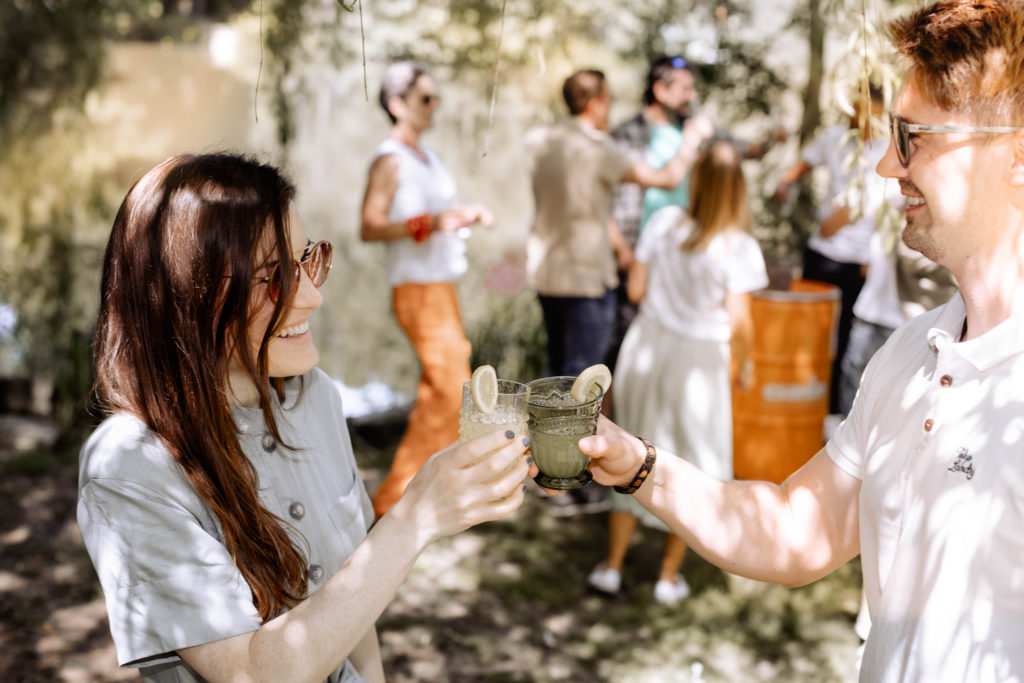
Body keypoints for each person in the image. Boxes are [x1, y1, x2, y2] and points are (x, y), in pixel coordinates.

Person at [578, 1, 1024, 679]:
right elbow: (795, 530)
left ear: (1016, 152)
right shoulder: (907, 353)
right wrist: (640, 465)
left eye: (912, 137)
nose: (884, 166)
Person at [77, 152, 531, 682]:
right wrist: (414, 520)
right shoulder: (131, 470)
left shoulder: (315, 398)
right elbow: (253, 673)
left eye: (307, 260)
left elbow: (353, 606)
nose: (312, 297)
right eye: (272, 277)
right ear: (183, 296)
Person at [586, 142, 767, 605]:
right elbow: (741, 324)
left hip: (646, 345)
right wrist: (743, 367)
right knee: (692, 464)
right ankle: (668, 577)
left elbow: (636, 287)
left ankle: (611, 567)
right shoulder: (738, 247)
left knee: (629, 449)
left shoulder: (663, 222)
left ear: (697, 179)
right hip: (700, 360)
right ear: (738, 189)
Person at [605, 55, 780, 414]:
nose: (692, 94)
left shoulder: (697, 130)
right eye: (684, 87)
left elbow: (740, 153)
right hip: (645, 256)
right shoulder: (626, 137)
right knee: (621, 355)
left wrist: (774, 137)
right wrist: (622, 249)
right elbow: (602, 198)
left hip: (695, 257)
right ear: (660, 89)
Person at [360, 61, 493, 519]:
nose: (434, 105)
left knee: (446, 390)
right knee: (453, 389)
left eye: (435, 97)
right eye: (425, 98)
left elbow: (441, 215)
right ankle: (394, 504)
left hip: (441, 284)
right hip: (415, 289)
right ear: (398, 105)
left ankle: (420, 496)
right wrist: (430, 223)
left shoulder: (427, 157)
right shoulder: (389, 159)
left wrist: (463, 214)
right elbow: (369, 227)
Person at [525, 68, 714, 381]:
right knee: (581, 382)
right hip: (586, 280)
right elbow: (665, 179)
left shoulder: (537, 141)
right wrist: (691, 139)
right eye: (608, 102)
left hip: (546, 276)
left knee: (556, 373)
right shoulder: (598, 148)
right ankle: (577, 432)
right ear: (594, 104)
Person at [773, 84, 887, 415]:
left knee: (845, 343)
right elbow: (800, 166)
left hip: (859, 264)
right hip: (822, 256)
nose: (859, 117)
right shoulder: (834, 138)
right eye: (855, 109)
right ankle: (796, 399)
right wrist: (785, 185)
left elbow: (886, 210)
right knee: (808, 334)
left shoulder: (886, 150)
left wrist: (872, 258)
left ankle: (830, 412)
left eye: (867, 111)